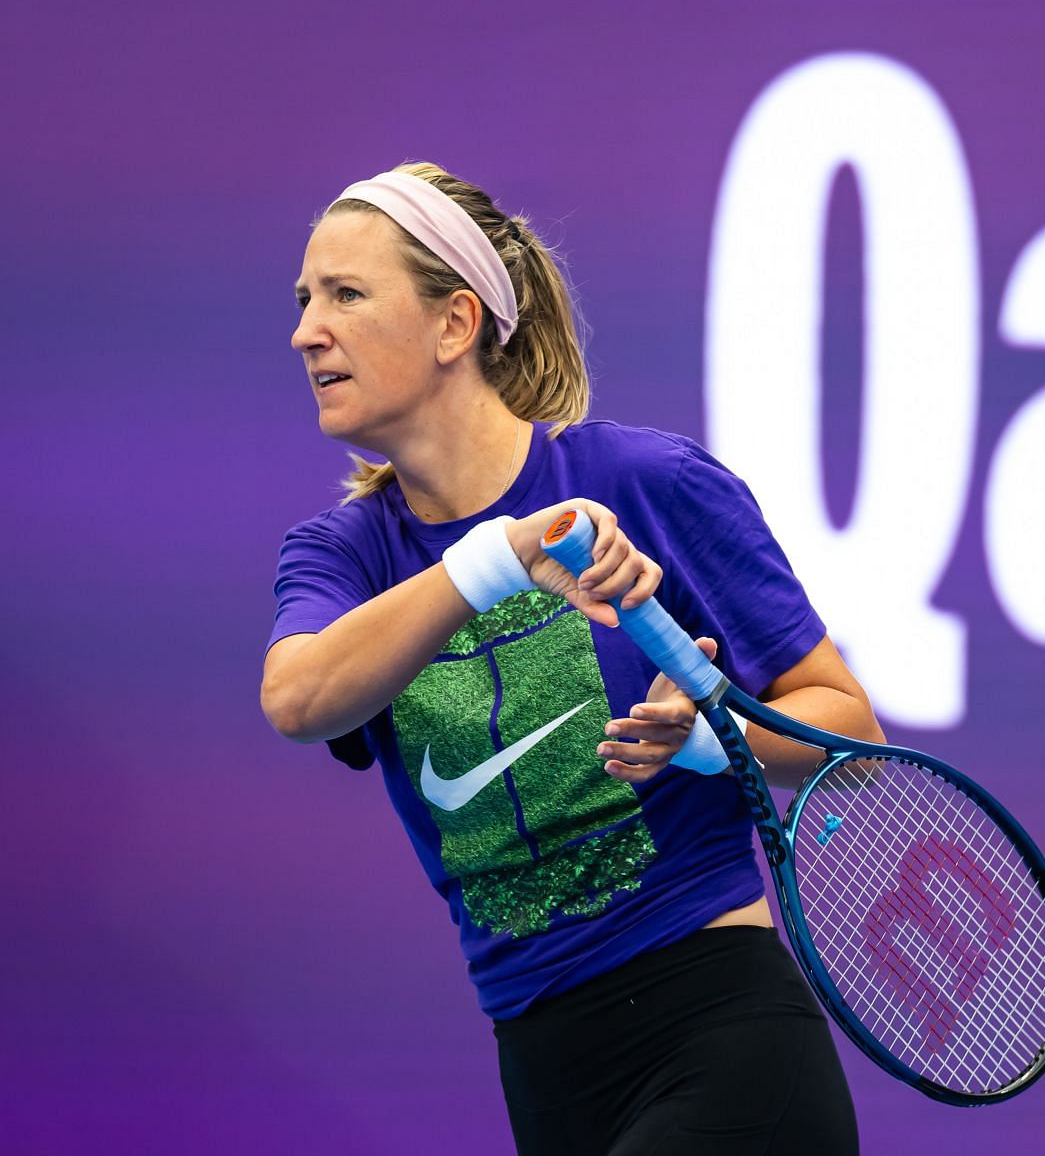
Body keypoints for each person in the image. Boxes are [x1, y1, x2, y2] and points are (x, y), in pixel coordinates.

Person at [260, 162, 870, 1154]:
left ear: (455, 324)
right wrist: (502, 556)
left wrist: (715, 740)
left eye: (345, 294)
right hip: (546, 1078)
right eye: (303, 299)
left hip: (723, 1037)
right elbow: (300, 697)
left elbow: (845, 727)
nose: (305, 330)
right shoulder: (341, 554)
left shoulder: (652, 483)